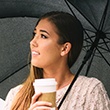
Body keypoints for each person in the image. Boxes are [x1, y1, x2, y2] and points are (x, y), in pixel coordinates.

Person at [4, 11, 110, 110]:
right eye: (34, 34)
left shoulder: (90, 91)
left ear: (64, 48)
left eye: (43, 36)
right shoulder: (16, 95)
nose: (32, 42)